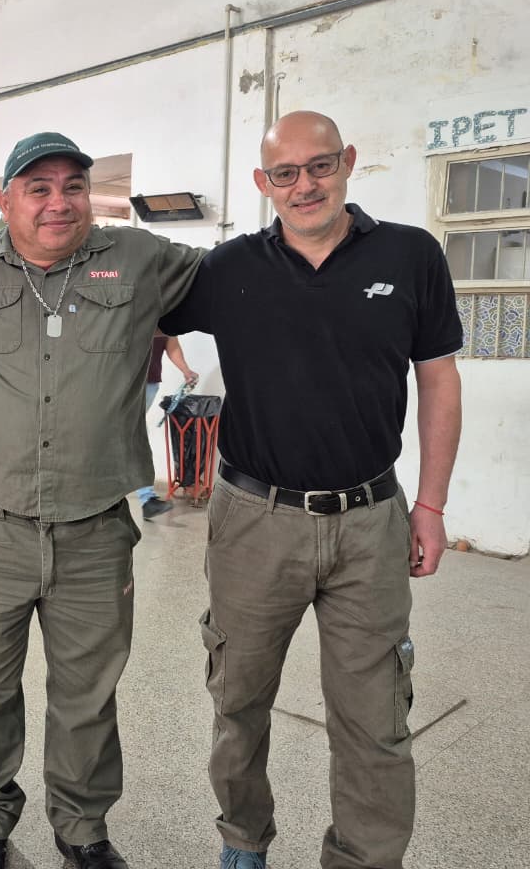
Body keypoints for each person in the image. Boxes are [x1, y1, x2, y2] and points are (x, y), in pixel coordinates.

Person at [158, 110, 463, 869]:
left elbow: (439, 380)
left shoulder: (411, 254)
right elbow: (140, 312)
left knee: (376, 716)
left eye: (320, 166)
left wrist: (429, 505)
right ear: (264, 183)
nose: (305, 185)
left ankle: (363, 858)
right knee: (238, 702)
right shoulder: (229, 268)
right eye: (285, 173)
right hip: (254, 520)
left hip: (371, 520)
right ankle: (243, 841)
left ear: (348, 162)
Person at [0, 132, 204, 869]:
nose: (57, 201)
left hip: (95, 528)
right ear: (4, 201)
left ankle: (81, 828)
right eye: (36, 188)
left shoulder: (138, 260)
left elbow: (248, 279)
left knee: (87, 695)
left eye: (72, 186)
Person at [134, 333, 198, 519]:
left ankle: (147, 499)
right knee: (132, 435)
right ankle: (146, 499)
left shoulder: (163, 308)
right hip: (124, 381)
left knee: (133, 435)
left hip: (149, 383)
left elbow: (171, 343)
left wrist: (186, 370)